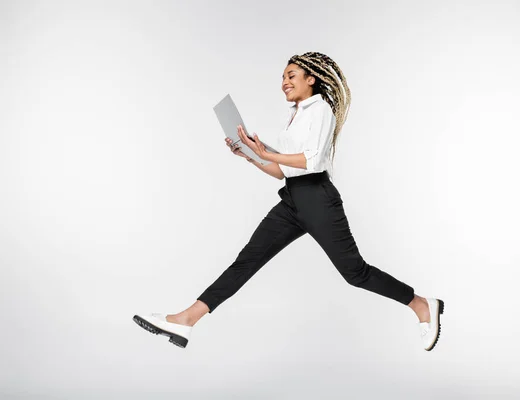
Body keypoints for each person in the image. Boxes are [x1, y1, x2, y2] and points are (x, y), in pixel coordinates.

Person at [133, 51, 444, 351]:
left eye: (291, 75)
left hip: (319, 200)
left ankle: (420, 304)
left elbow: (313, 161)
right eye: (282, 76)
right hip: (293, 201)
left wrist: (267, 152)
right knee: (247, 260)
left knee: (355, 273)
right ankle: (186, 319)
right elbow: (282, 170)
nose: (284, 81)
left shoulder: (320, 108)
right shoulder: (294, 116)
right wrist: (251, 156)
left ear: (311, 78)